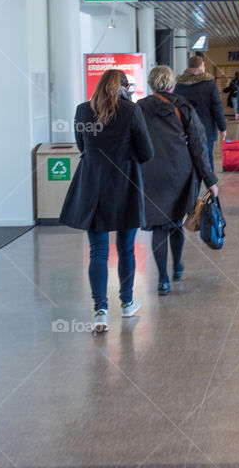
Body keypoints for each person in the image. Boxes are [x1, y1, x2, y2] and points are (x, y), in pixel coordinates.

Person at [59, 69, 153, 334]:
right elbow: (147, 151)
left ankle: (100, 311)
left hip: (93, 185)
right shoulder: (131, 111)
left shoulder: (82, 110)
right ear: (124, 86)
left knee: (98, 252)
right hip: (126, 185)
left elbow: (82, 146)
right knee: (126, 249)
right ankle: (126, 302)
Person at [138, 66, 219, 296]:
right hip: (179, 174)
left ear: (151, 84)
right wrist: (210, 180)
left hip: (150, 174)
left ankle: (162, 279)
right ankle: (177, 268)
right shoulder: (183, 107)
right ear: (171, 84)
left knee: (159, 226)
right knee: (175, 221)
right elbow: (198, 146)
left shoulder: (139, 108)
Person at [174, 56, 227, 171]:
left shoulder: (179, 85)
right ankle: (210, 186)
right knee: (207, 157)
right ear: (200, 66)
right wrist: (222, 127)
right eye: (203, 65)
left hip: (185, 128)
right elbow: (217, 107)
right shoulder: (209, 84)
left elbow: (175, 107)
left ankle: (192, 186)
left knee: (188, 158)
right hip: (206, 129)